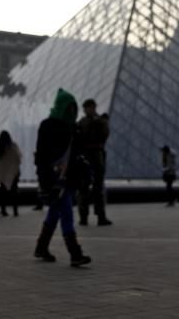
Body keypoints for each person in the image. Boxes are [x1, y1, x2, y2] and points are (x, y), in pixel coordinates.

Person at [33, 88, 91, 267]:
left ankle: (41, 247)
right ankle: (75, 253)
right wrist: (44, 180)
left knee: (55, 212)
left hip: (70, 178)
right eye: (70, 108)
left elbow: (80, 153)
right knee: (66, 213)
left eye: (74, 108)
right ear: (62, 108)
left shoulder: (74, 128)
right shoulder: (48, 126)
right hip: (55, 179)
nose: (73, 112)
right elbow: (41, 157)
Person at [76, 98, 112, 226]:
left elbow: (105, 135)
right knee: (84, 187)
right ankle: (85, 217)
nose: (89, 110)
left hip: (95, 154)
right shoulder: (85, 122)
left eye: (90, 107)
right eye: (87, 108)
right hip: (91, 155)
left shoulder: (90, 122)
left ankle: (99, 216)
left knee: (97, 187)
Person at [0, 130, 22, 217]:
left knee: (3, 193)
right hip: (13, 173)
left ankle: (3, 210)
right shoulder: (13, 146)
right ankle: (15, 211)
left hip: (2, 173)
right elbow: (19, 157)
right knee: (14, 192)